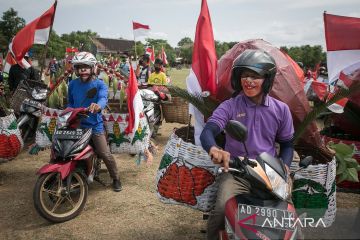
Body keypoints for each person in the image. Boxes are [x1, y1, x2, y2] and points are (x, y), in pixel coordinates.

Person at [200, 49, 294, 240]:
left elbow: (287, 144)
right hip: (237, 172)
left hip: (269, 172)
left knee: (289, 217)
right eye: (244, 75)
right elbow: (208, 131)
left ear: (267, 79)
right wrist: (214, 148)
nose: (248, 80)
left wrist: (284, 165)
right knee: (219, 211)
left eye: (255, 76)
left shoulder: (281, 109)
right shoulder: (230, 106)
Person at [68, 51, 122, 192]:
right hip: (77, 124)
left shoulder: (100, 84)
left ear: (93, 68)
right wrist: (66, 111)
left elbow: (103, 98)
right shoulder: (72, 84)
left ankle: (116, 178)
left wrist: (98, 106)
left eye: (86, 67)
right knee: (69, 151)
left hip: (94, 125)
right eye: (79, 67)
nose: (82, 70)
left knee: (104, 153)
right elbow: (70, 103)